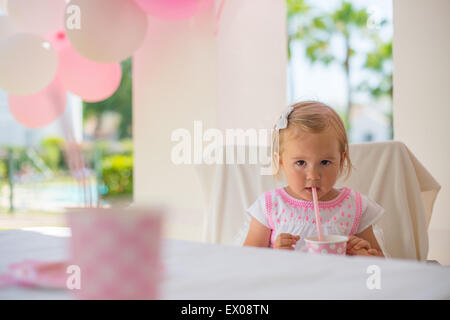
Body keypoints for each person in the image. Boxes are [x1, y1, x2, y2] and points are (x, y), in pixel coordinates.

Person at [243, 101, 384, 257]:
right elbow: (248, 262)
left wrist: (364, 255)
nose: (313, 175)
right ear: (280, 162)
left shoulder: (354, 207)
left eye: (325, 162)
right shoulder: (269, 206)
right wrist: (275, 256)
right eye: (300, 163)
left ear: (341, 161)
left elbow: (381, 267)